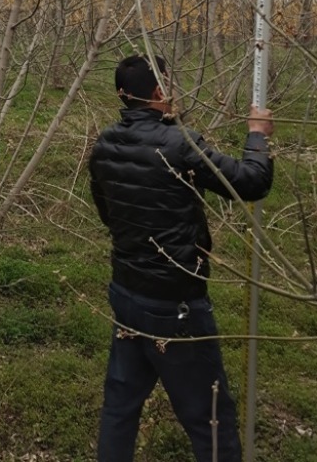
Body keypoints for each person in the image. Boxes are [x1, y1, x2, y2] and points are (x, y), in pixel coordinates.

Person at [89, 54, 274, 462]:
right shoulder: (179, 144)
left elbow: (108, 214)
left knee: (119, 407)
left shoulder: (103, 144)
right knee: (210, 417)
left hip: (125, 293)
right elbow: (250, 182)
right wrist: (258, 136)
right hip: (175, 305)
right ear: (158, 92)